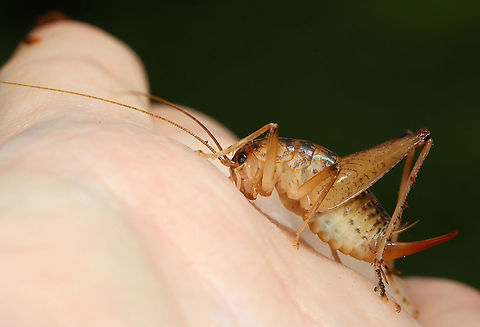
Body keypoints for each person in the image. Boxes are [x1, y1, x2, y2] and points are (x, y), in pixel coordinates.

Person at [0, 19, 478, 326]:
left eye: (240, 161)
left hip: (339, 197)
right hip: (324, 193)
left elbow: (295, 154)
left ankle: (379, 259)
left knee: (416, 140)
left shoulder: (276, 149)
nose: (238, 172)